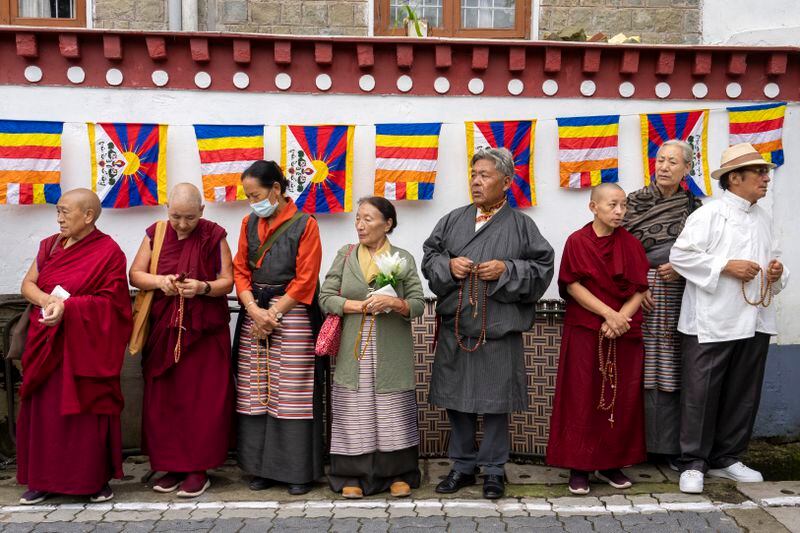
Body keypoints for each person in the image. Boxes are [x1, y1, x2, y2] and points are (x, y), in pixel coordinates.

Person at [422, 148, 554, 500]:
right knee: (458, 400)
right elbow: (430, 256)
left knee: (496, 403)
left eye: (485, 175)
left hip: (498, 329)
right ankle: (462, 466)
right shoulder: (452, 220)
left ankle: (494, 470)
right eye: (474, 174)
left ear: (507, 182)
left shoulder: (522, 225)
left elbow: (543, 268)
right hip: (458, 326)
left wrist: (508, 270)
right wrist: (448, 267)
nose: (476, 181)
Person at [670, 143, 789, 494]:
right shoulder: (709, 214)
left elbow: (776, 264)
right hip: (712, 319)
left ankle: (728, 458)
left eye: (765, 173)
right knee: (701, 393)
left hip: (755, 318)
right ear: (735, 178)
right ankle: (693, 462)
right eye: (760, 173)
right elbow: (680, 257)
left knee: (743, 391)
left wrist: (777, 271)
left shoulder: (764, 218)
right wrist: (725, 265)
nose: (766, 178)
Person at [16, 189, 132, 505]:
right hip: (46, 344)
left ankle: (92, 480)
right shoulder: (50, 246)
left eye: (65, 212)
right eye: (58, 212)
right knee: (44, 412)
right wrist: (47, 300)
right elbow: (28, 285)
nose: (59, 218)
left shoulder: (109, 252)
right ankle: (42, 479)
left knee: (86, 412)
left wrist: (70, 309)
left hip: (86, 349)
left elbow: (115, 305)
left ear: (88, 216)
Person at [129, 183, 235, 498]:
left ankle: (198, 469)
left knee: (203, 402)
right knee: (165, 401)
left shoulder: (214, 235)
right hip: (164, 330)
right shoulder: (156, 233)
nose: (183, 224)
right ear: (167, 209)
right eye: (176, 216)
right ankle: (171, 465)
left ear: (202, 211)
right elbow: (135, 274)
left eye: (190, 217)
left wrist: (202, 287)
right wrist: (161, 281)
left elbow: (227, 279)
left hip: (203, 334)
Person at [546, 183, 650, 495]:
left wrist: (621, 318)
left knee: (621, 396)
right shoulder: (577, 241)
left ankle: (610, 463)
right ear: (594, 207)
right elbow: (572, 285)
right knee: (582, 396)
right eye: (612, 205)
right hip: (586, 330)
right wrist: (609, 314)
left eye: (623, 206)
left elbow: (640, 289)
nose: (619, 211)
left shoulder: (631, 244)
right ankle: (579, 466)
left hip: (622, 332)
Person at [319, 197, 425, 499]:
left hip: (391, 350)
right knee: (354, 410)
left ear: (387, 223)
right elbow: (325, 296)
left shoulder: (402, 257)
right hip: (354, 351)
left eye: (368, 219)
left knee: (392, 411)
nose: (360, 225)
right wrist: (351, 306)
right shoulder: (346, 254)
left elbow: (417, 303)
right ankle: (350, 475)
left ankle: (399, 474)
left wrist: (396, 303)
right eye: (357, 219)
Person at [232, 160, 324, 495]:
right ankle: (261, 468)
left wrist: (274, 314)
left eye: (255, 194)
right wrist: (254, 310)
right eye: (247, 196)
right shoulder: (247, 223)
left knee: (292, 393)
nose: (251, 201)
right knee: (256, 391)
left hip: (293, 313)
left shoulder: (306, 224)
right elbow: (240, 269)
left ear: (276, 189)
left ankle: (296, 470)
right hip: (254, 310)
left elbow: (306, 277)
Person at [622, 140, 703, 462]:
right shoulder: (633, 202)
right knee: (639, 365)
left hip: (680, 294)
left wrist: (683, 269)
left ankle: (669, 448)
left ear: (687, 169)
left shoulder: (694, 208)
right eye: (660, 160)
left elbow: (704, 252)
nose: (665, 167)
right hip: (640, 295)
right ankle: (634, 446)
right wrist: (637, 286)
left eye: (673, 162)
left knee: (672, 366)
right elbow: (620, 247)